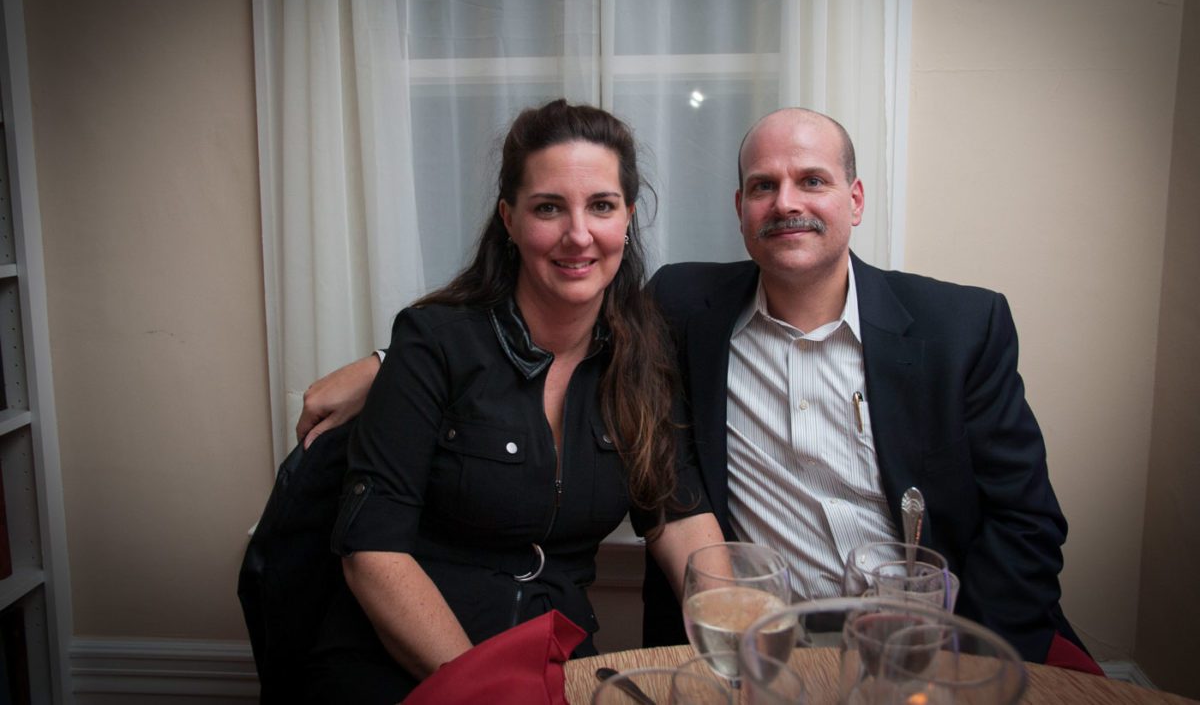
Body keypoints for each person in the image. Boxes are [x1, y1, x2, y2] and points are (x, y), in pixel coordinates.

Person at [298, 107, 1095, 671]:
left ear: (854, 201)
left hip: (929, 642)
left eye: (812, 181)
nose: (787, 203)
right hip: (767, 647)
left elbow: (1026, 527)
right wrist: (393, 359)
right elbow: (514, 321)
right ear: (740, 210)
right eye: (763, 186)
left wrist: (963, 664)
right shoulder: (685, 310)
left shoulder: (960, 326)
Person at [304, 99, 723, 703]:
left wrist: (742, 641)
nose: (578, 234)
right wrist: (487, 689)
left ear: (628, 217)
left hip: (553, 655)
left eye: (601, 206)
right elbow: (373, 552)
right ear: (510, 218)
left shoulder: (644, 356)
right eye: (549, 207)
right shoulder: (434, 343)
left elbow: (678, 519)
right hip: (406, 659)